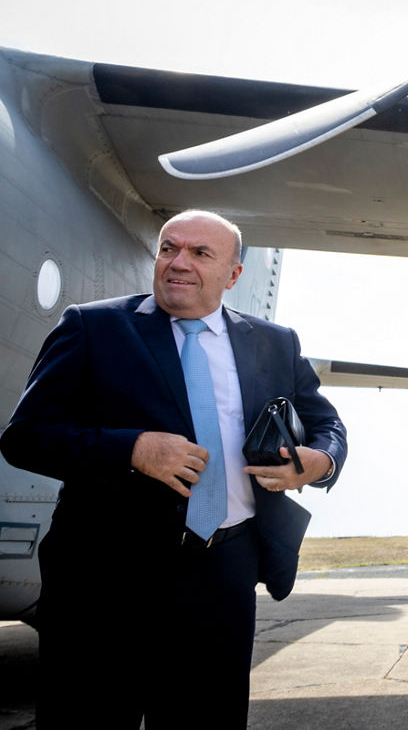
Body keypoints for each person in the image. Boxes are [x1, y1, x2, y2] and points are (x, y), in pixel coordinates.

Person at [0, 209, 347, 728]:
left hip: (222, 575)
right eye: (169, 248)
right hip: (104, 579)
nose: (178, 263)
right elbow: (25, 437)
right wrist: (132, 449)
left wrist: (319, 462)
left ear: (233, 274)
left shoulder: (274, 342)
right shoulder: (93, 327)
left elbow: (327, 425)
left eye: (200, 253)